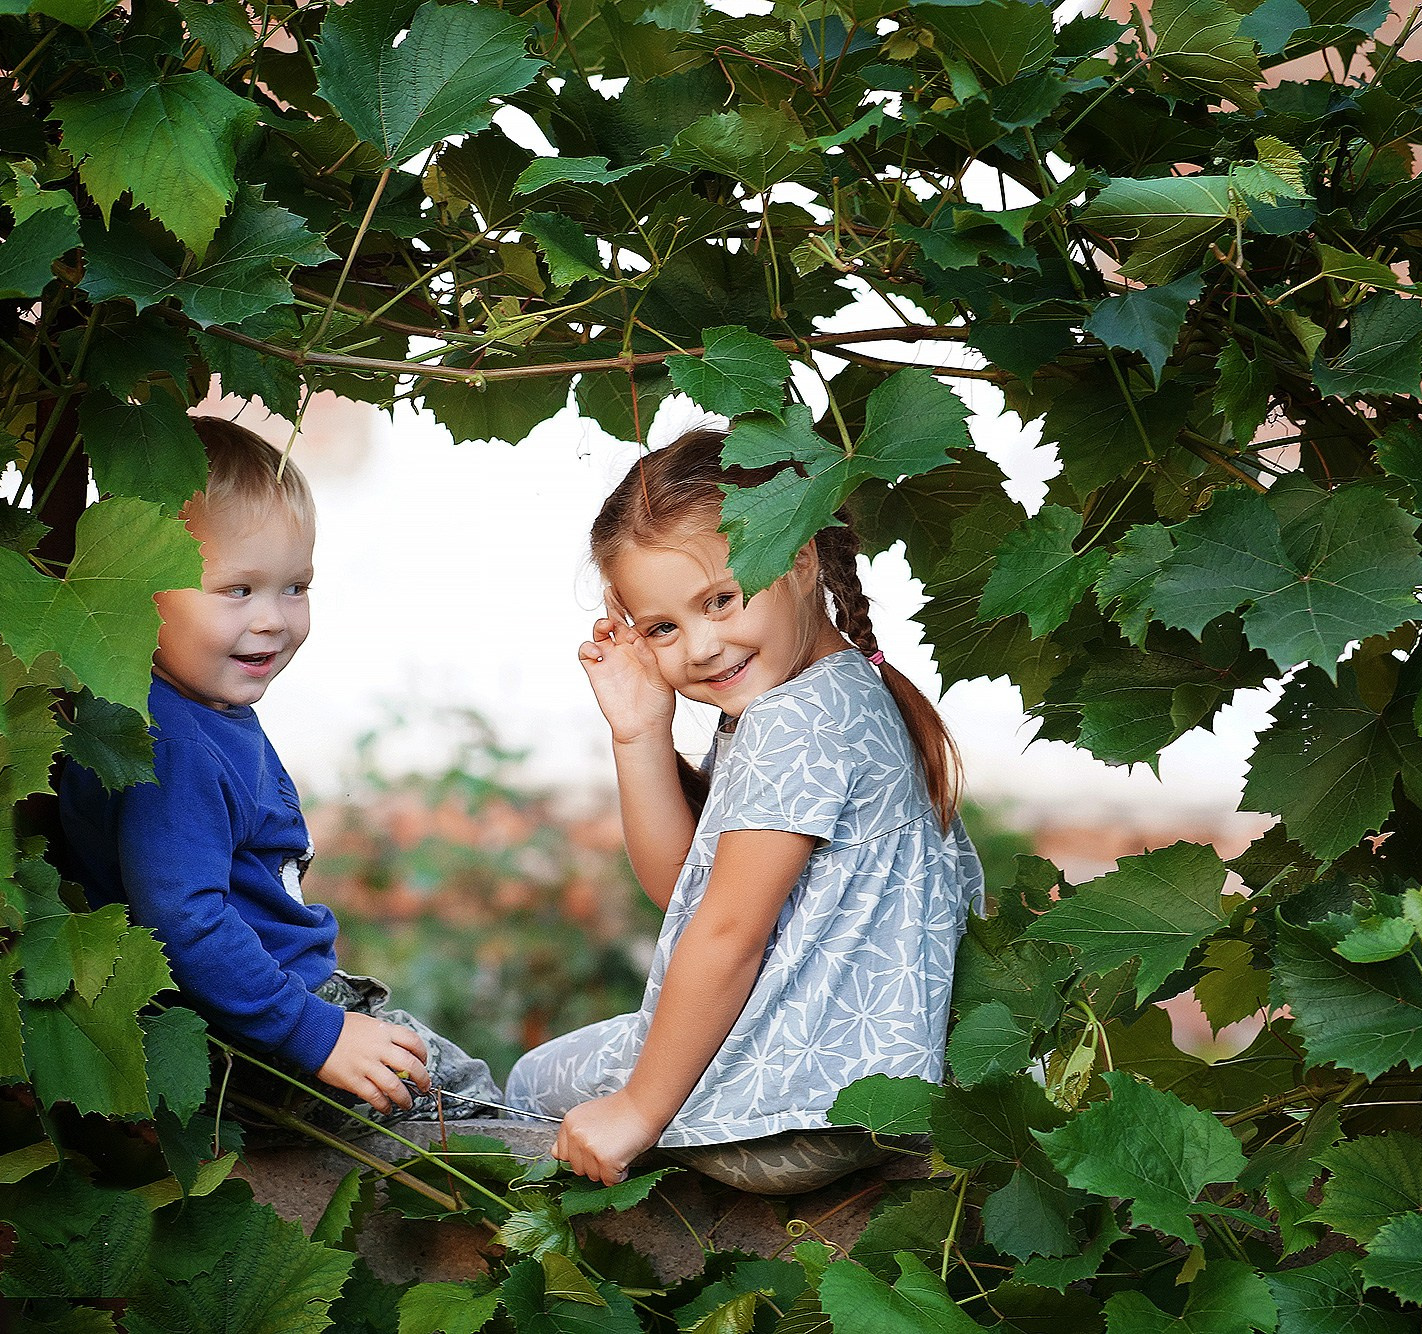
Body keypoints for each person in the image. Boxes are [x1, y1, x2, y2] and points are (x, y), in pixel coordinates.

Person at [505, 427, 983, 1194]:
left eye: (720, 600)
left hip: (787, 1105)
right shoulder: (827, 691)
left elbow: (728, 935)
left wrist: (637, 1110)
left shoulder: (795, 722)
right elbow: (683, 893)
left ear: (799, 559)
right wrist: (638, 731)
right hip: (850, 1088)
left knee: (531, 1086)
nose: (700, 646)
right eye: (663, 627)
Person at [58, 416, 502, 1123]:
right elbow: (182, 918)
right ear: (136, 590)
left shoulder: (191, 708)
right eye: (238, 590)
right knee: (462, 1099)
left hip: (268, 1008)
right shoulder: (167, 740)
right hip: (260, 1027)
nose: (273, 619)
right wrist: (316, 1034)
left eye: (296, 587)